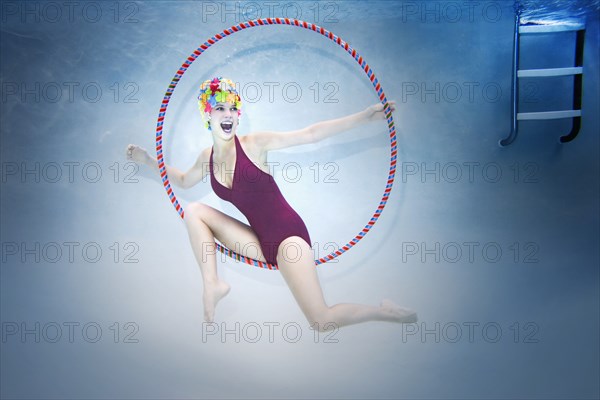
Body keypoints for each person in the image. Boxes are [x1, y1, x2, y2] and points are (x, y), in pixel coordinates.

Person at [126, 77, 416, 331]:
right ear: (207, 116)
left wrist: (364, 117)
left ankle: (383, 311)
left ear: (238, 116)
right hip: (257, 240)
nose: (228, 115)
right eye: (220, 109)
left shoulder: (254, 144)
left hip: (288, 237)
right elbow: (183, 180)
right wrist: (149, 161)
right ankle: (212, 284)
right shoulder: (207, 157)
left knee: (321, 321)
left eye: (232, 109)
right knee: (193, 211)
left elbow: (310, 134)